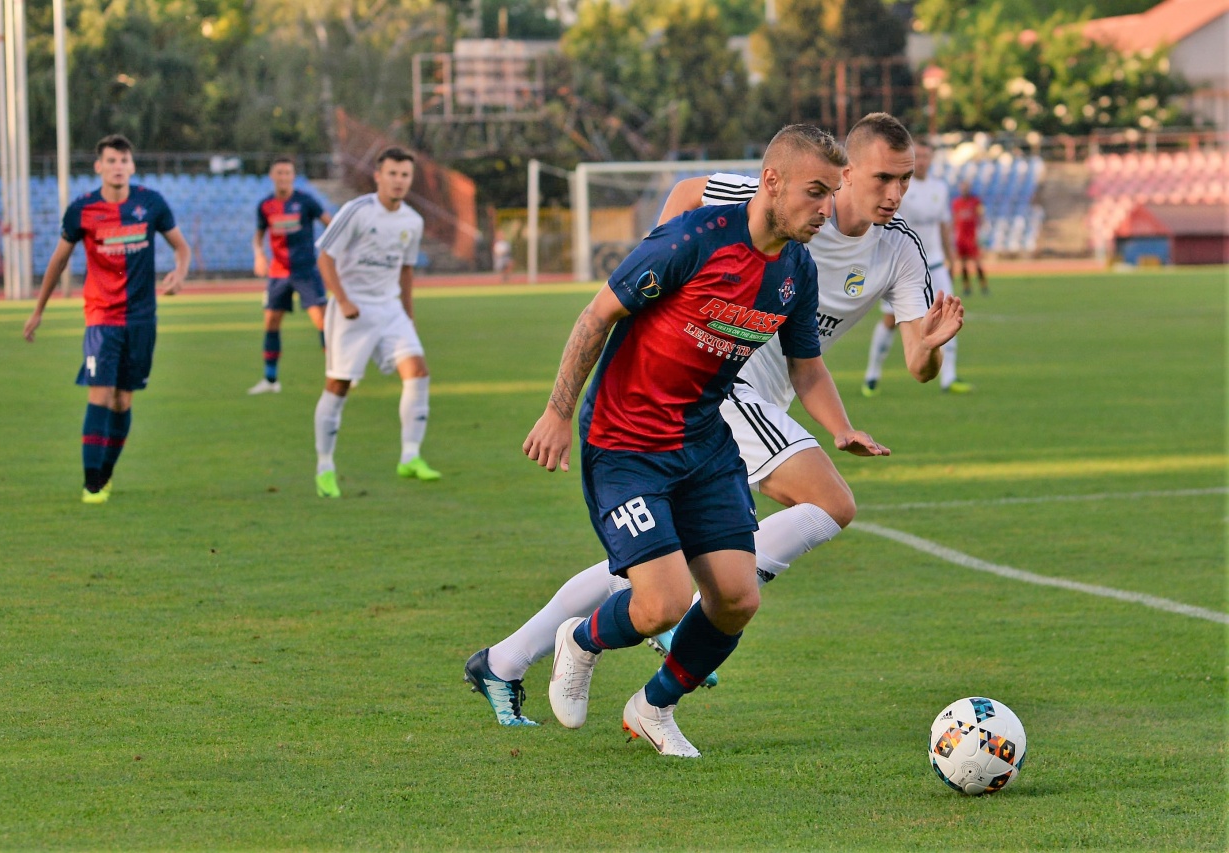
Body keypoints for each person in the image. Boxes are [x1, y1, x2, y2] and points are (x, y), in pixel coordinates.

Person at [465, 113, 965, 731]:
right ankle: (680, 613)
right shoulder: (771, 202)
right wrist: (666, 272)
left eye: (906, 180)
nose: (894, 194)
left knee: (654, 574)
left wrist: (934, 346)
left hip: (768, 399)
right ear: (847, 171)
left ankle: (508, 658)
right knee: (830, 503)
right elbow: (687, 196)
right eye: (882, 178)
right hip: (721, 388)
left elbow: (915, 362)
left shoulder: (898, 249)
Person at [23, 134, 191, 504]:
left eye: (124, 160)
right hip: (101, 317)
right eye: (111, 160)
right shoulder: (82, 209)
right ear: (99, 166)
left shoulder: (151, 203)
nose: (118, 166)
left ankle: (106, 473)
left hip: (142, 319)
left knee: (122, 402)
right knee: (100, 394)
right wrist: (39, 310)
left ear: (132, 166)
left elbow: (181, 246)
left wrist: (180, 273)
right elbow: (58, 260)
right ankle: (91, 482)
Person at [311, 146, 440, 498]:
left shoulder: (412, 221)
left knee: (418, 372)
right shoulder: (356, 211)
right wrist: (343, 299)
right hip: (352, 310)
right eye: (393, 174)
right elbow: (325, 258)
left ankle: (410, 456)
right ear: (378, 176)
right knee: (338, 387)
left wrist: (408, 315)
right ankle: (325, 467)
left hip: (390, 309)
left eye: (405, 175)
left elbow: (406, 270)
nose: (399, 181)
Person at [862, 139, 970, 396]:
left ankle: (949, 377)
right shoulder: (900, 188)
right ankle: (872, 375)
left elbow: (944, 224)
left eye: (926, 156)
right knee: (890, 321)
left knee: (950, 316)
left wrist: (950, 257)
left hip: (935, 264)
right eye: (918, 156)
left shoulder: (940, 188)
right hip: (902, 266)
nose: (922, 161)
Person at [248, 157, 333, 394]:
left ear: (293, 176)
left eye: (287, 173)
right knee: (271, 323)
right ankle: (270, 380)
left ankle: (339, 373)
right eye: (279, 173)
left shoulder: (306, 201)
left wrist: (329, 252)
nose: (283, 177)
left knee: (323, 322)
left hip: (306, 271)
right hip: (278, 273)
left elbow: (331, 223)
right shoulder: (265, 205)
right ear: (271, 176)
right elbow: (258, 235)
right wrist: (258, 254)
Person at [952, 180, 988, 295]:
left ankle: (984, 286)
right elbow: (954, 219)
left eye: (966, 187)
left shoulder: (975, 201)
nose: (964, 190)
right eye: (962, 188)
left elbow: (981, 216)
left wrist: (981, 233)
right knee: (963, 264)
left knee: (977, 263)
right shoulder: (956, 203)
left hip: (971, 237)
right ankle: (967, 287)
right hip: (961, 238)